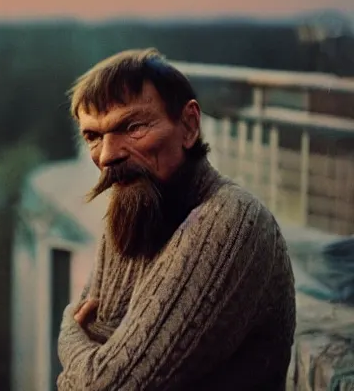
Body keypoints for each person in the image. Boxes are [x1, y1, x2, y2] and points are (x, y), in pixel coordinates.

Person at [56, 48, 296, 390]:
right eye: (93, 136)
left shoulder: (233, 221)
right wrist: (89, 360)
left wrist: (68, 337)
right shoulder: (131, 214)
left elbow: (105, 385)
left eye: (133, 126)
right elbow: (88, 368)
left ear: (189, 125)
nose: (107, 156)